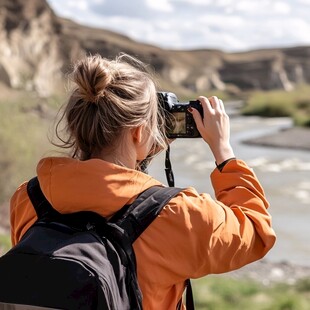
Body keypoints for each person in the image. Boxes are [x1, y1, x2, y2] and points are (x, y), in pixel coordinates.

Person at [10, 53, 276, 309]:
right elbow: (255, 231)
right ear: (139, 132)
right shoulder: (179, 214)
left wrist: (141, 154)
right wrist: (224, 152)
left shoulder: (30, 197)